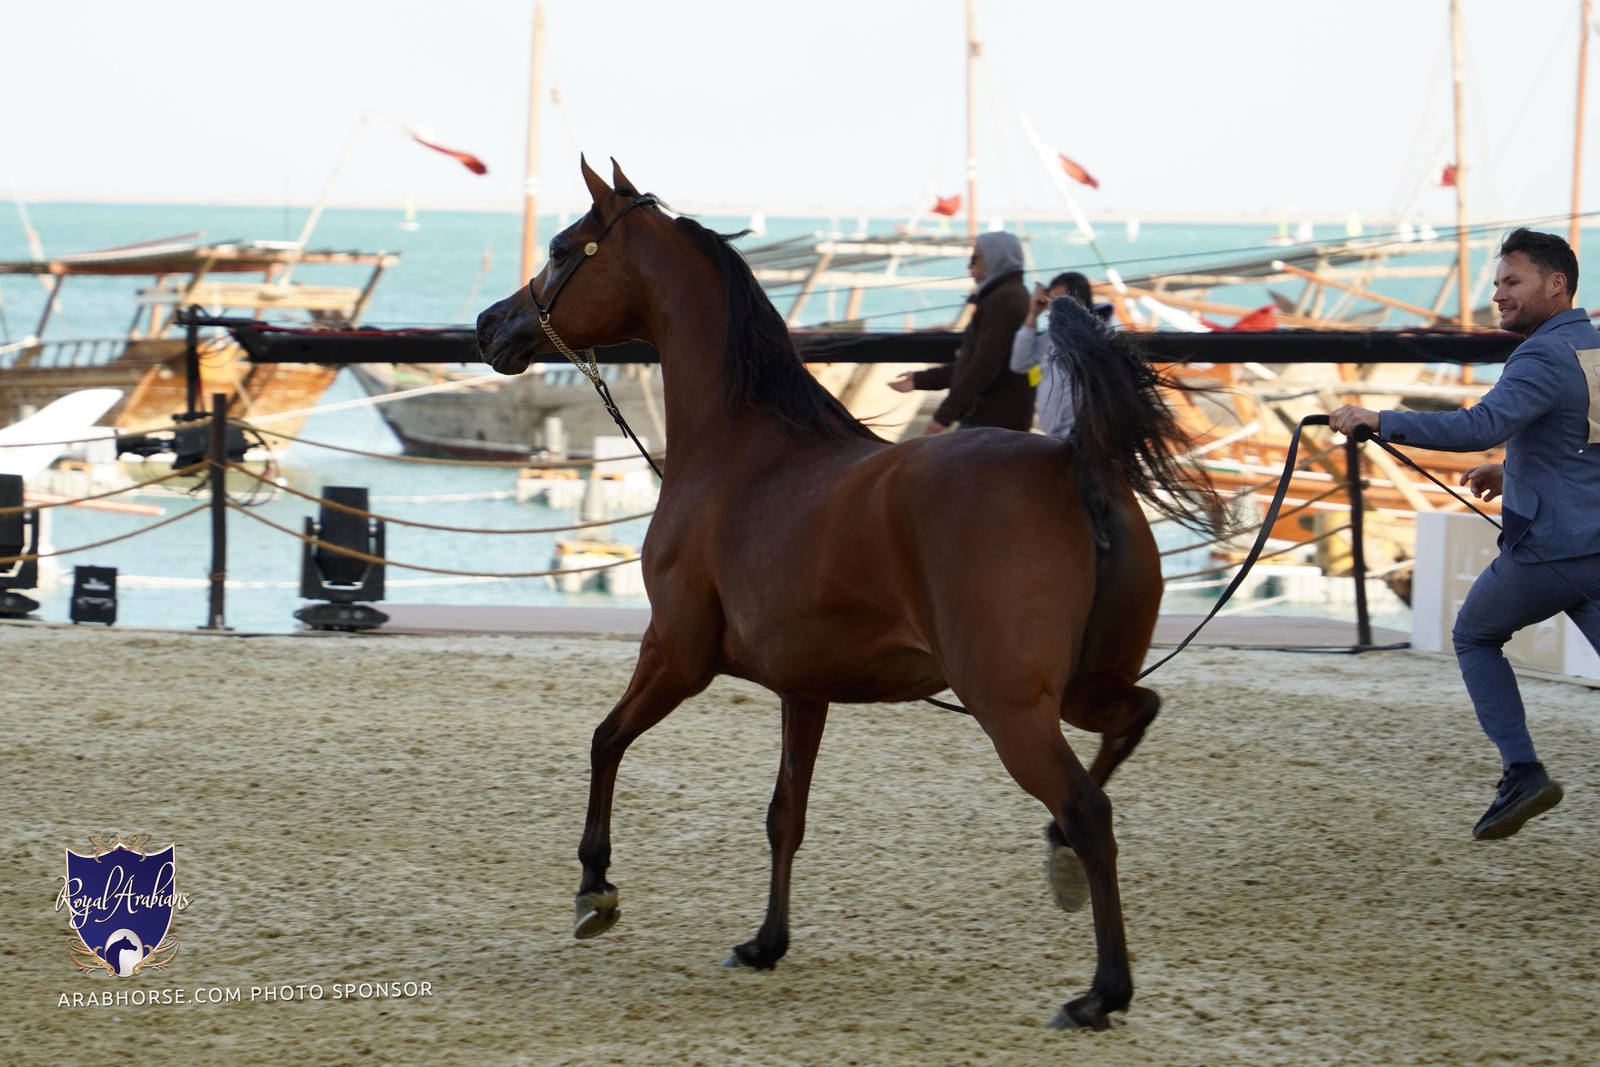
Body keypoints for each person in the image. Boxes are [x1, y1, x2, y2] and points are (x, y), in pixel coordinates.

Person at [1329, 227, 1600, 841]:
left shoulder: (1538, 354)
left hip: (1546, 554)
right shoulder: (1594, 347)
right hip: (1594, 549)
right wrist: (1513, 470)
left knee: (1475, 636)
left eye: (1512, 282)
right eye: (1497, 282)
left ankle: (1523, 772)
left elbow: (1480, 424)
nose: (1498, 294)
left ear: (1556, 285)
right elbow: (1585, 443)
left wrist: (1379, 419)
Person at [889, 231, 1033, 433]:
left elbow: (984, 366)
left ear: (994, 258)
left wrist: (943, 417)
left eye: (974, 258)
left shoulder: (1005, 301)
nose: (969, 265)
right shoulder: (1004, 296)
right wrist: (920, 380)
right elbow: (974, 362)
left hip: (992, 425)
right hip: (992, 421)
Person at [1010, 271, 1094, 438]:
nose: (1052, 308)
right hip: (1054, 438)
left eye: (1059, 302)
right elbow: (1019, 364)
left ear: (1080, 303)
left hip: (1080, 439)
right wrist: (1033, 314)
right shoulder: (1049, 339)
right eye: (1051, 302)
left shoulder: (1092, 341)